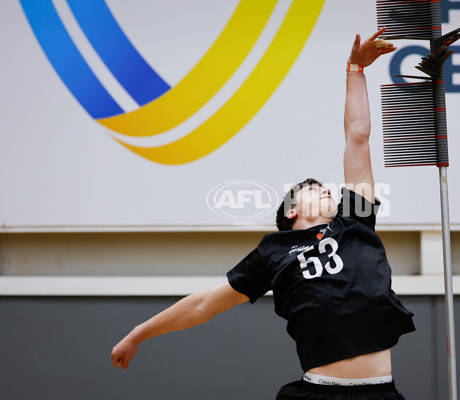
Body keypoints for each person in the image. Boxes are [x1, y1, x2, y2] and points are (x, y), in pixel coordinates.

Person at [111, 27, 415, 400]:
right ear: (291, 212)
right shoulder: (274, 252)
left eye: (326, 186)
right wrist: (138, 333)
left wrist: (356, 70)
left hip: (380, 393)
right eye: (312, 187)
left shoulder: (355, 220)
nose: (326, 188)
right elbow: (205, 304)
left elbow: (358, 136)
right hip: (316, 394)